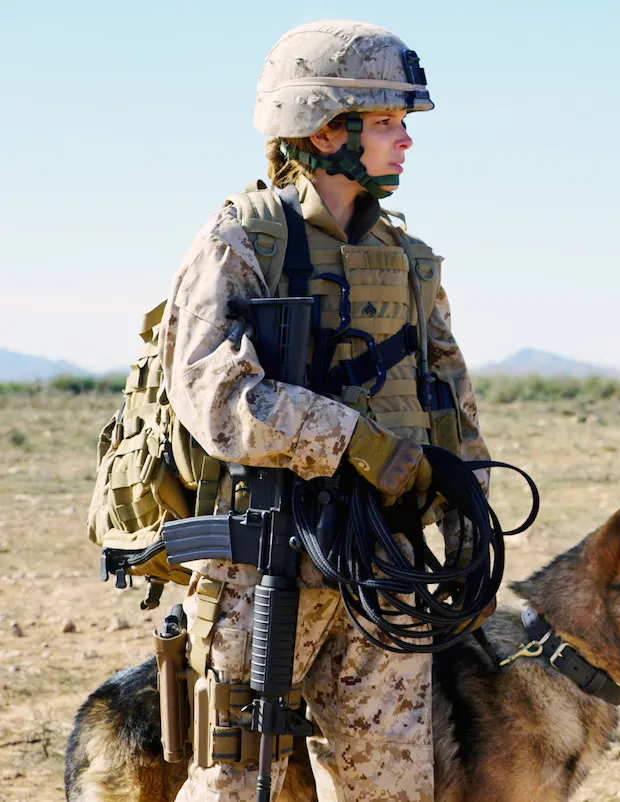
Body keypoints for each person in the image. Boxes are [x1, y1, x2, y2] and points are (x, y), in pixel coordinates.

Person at [158, 20, 488, 801]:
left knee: (391, 784)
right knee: (237, 778)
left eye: (403, 124)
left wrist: (469, 513)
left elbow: (447, 400)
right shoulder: (240, 240)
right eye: (386, 123)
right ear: (325, 128)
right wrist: (361, 446)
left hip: (385, 562)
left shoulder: (408, 260)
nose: (405, 142)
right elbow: (214, 393)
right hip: (263, 559)